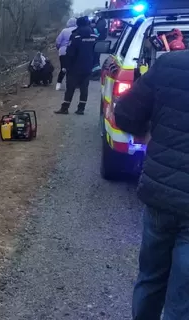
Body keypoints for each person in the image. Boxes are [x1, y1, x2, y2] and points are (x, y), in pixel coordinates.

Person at [114, 47, 189, 320]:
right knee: (183, 296)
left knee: (150, 278)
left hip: (161, 195)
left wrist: (146, 134)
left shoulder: (170, 63)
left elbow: (125, 113)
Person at [54, 16, 97, 115]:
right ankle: (81, 109)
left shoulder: (76, 35)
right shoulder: (94, 35)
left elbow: (70, 52)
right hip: (88, 66)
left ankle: (65, 108)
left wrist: (66, 66)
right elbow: (96, 51)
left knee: (70, 88)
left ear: (78, 24)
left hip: (75, 67)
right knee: (84, 88)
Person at [55, 18, 77, 91]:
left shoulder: (64, 31)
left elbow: (58, 41)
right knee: (73, 68)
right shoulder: (77, 30)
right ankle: (72, 84)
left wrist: (59, 48)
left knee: (63, 68)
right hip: (74, 52)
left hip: (63, 52)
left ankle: (58, 84)